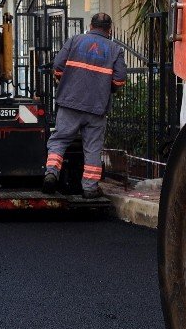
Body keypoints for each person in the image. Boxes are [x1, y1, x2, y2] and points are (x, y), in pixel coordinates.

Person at [42, 13, 126, 199]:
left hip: (70, 103)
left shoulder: (74, 41)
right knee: (93, 148)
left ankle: (51, 174)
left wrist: (67, 82)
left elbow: (57, 67)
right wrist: (106, 88)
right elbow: (119, 81)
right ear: (109, 30)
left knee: (59, 140)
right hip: (97, 108)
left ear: (90, 25)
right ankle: (89, 188)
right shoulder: (115, 50)